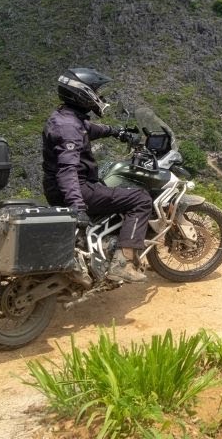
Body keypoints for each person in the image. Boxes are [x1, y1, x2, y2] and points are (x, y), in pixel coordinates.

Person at [41, 67, 151, 283]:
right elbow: (68, 170)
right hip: (76, 189)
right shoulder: (69, 127)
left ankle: (99, 250)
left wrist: (117, 131)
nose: (100, 97)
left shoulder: (66, 118)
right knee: (141, 199)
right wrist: (77, 206)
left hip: (58, 187)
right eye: (96, 92)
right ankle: (124, 264)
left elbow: (89, 129)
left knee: (107, 190)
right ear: (84, 94)